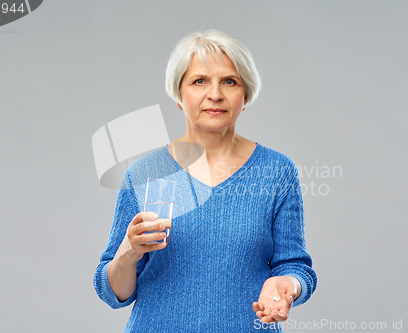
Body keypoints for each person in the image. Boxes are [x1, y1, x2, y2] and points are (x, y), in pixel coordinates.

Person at [94, 29, 317, 332]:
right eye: (199, 81)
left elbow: (296, 267)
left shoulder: (276, 171)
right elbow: (114, 294)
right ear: (178, 95)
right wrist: (128, 253)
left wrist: (286, 284)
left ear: (246, 94)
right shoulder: (145, 174)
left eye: (230, 81)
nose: (215, 94)